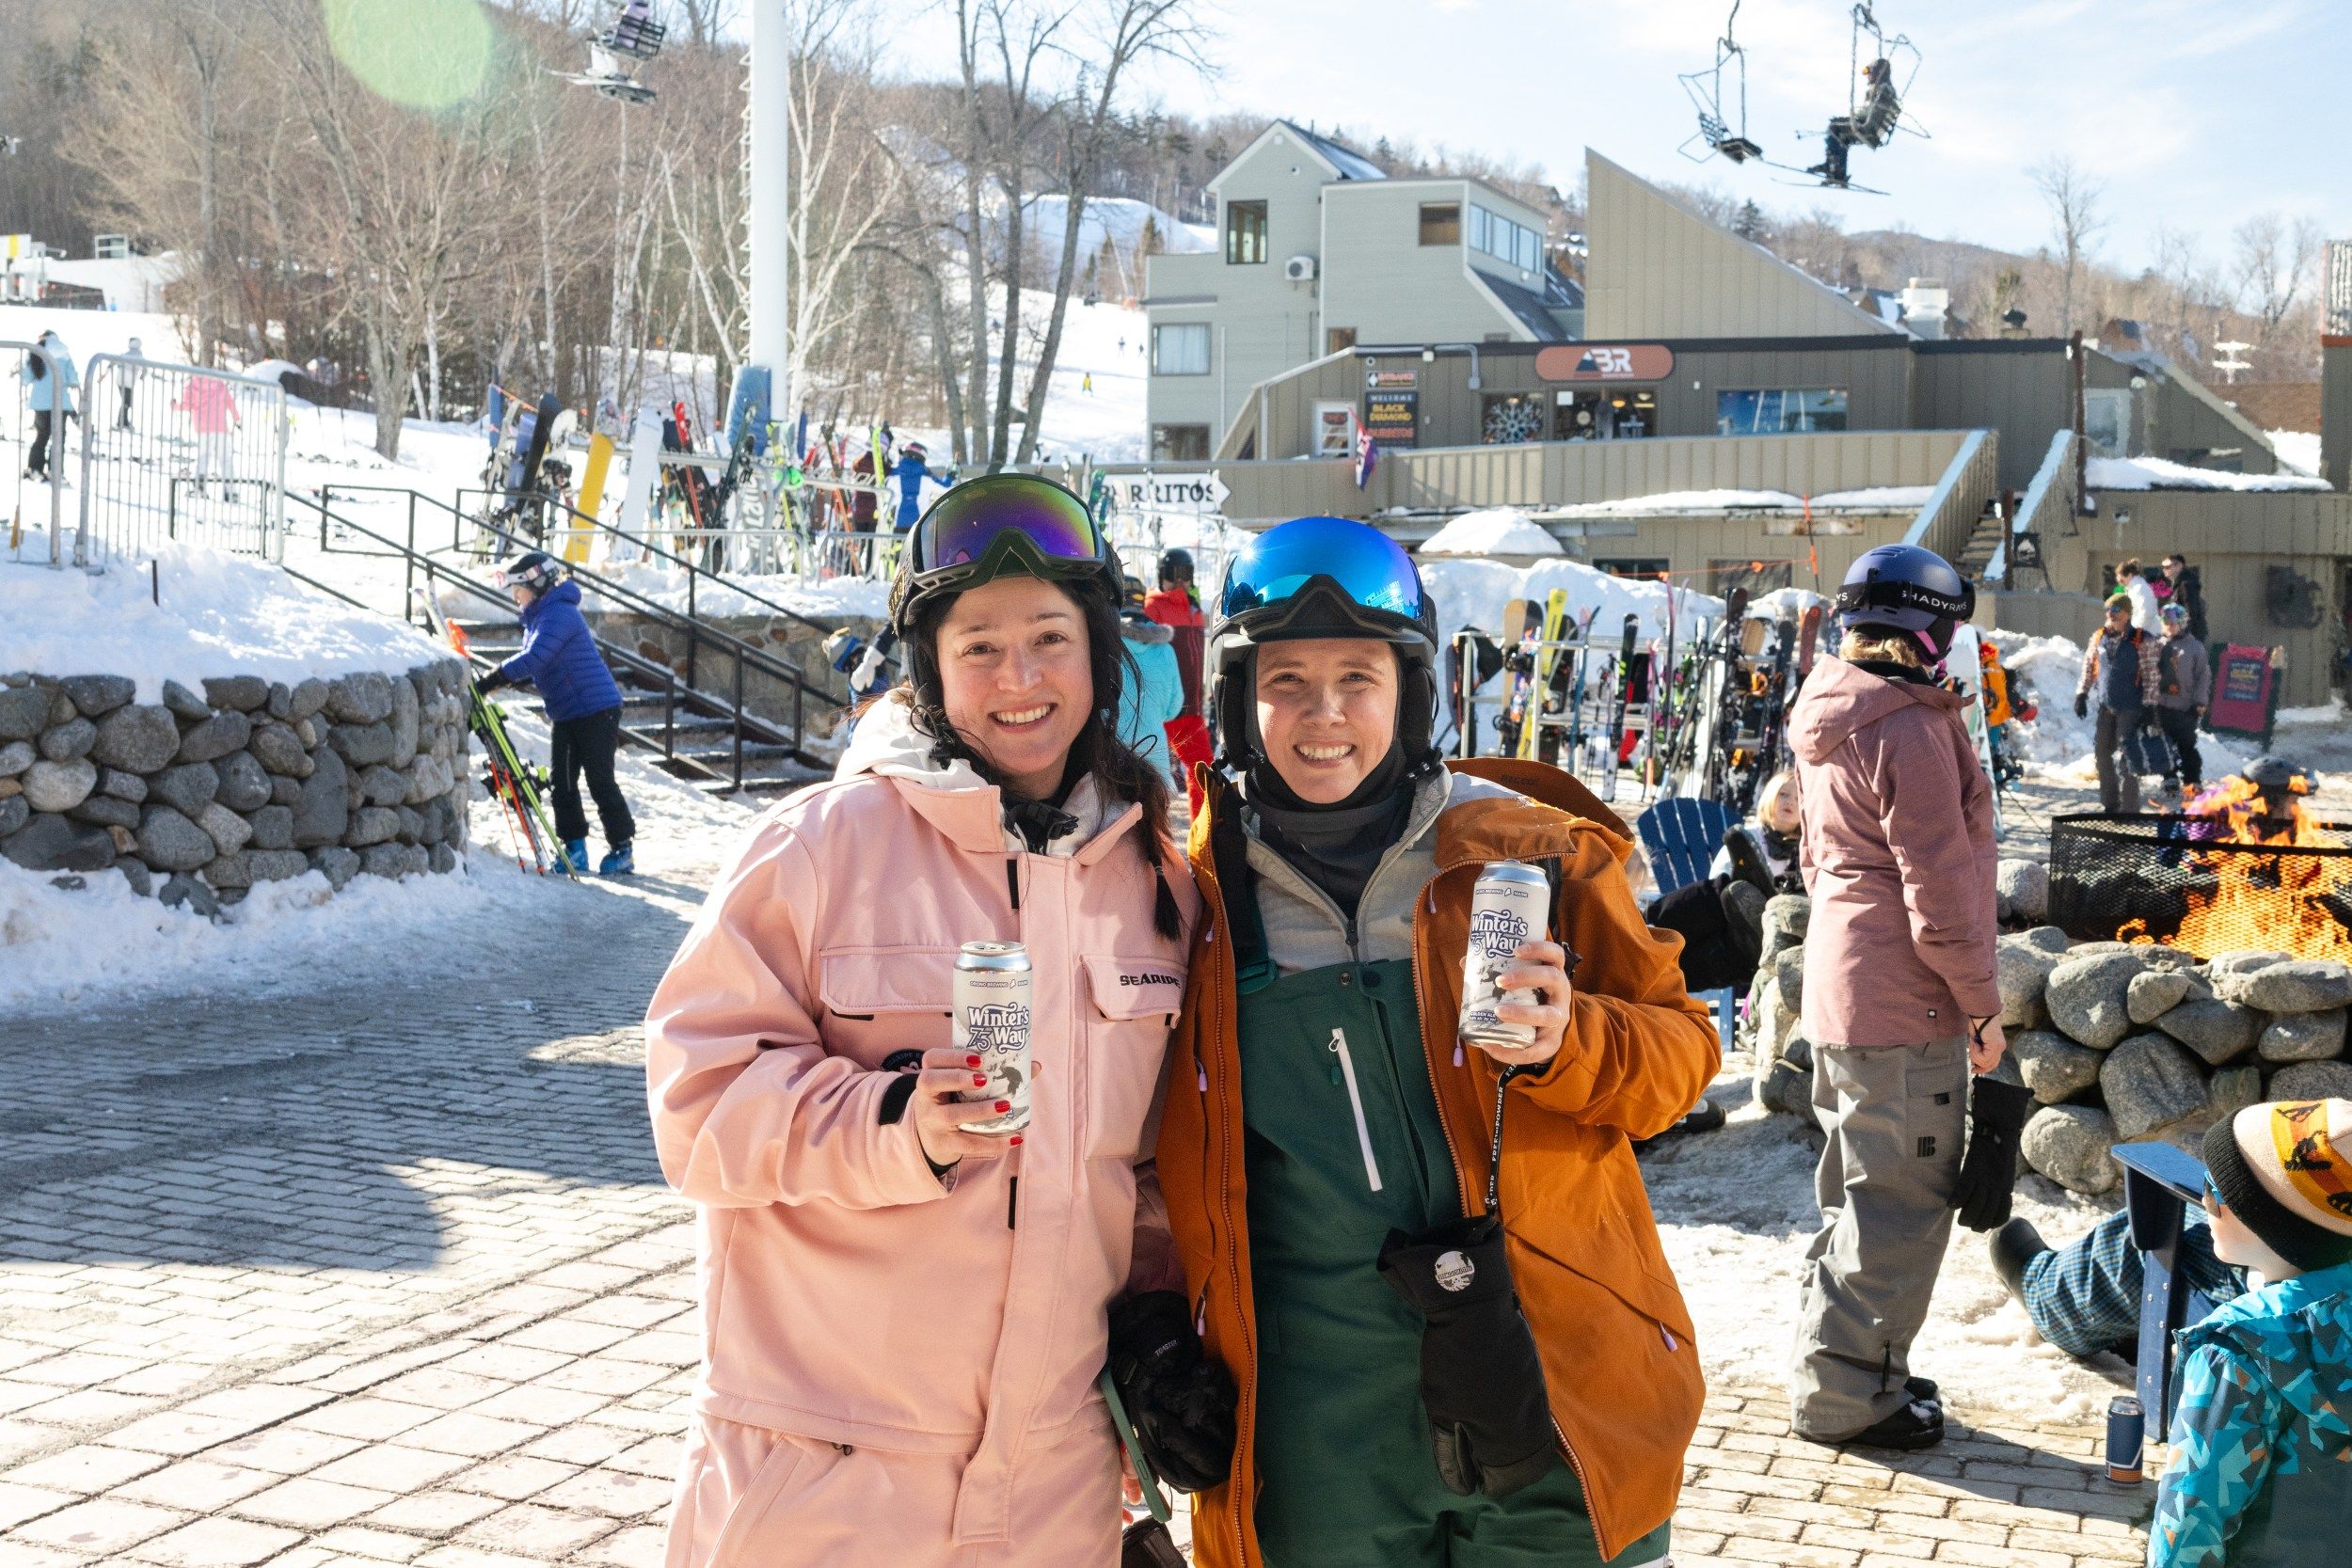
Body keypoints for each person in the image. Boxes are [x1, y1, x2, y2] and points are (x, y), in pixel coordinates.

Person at [1145, 515, 1720, 1568]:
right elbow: (1134, 1152)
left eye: (1358, 677)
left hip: (1554, 1388)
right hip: (1317, 1428)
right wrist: (1148, 1334)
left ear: (1411, 691)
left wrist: (1569, 1039)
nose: (1324, 716)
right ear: (1236, 698)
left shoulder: (1530, 850)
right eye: (1285, 682)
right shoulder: (1188, 897)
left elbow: (1678, 1058)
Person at [644, 474, 1195, 1567]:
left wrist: (1155, 1333)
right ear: (932, 670)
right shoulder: (820, 845)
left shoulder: (1154, 883)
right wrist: (896, 1118)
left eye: (1049, 637)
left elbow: (1141, 1178)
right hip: (825, 1482)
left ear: (1097, 655)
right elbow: (694, 1104)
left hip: (1053, 1490)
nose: (1020, 677)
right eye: (979, 645)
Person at [1786, 544, 2008, 1451]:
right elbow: (1942, 890)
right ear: (1932, 627)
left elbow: (1813, 858)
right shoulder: (1906, 727)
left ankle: (1849, 1365)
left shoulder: (1829, 707)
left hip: (1844, 986)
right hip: (1904, 1002)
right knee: (1900, 1205)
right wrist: (1982, 1006)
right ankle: (1849, 1398)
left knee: (1855, 1194)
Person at [2149, 1099, 2352, 1566]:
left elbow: (2189, 1530)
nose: (2203, 1201)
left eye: (2214, 1187)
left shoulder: (2239, 1351)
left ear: (2269, 1222)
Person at [476, 550, 637, 876]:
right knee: (562, 781)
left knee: (598, 779)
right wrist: (506, 680)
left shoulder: (561, 614)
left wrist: (494, 678)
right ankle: (574, 847)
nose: (514, 595)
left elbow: (536, 657)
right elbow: (538, 663)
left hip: (596, 709)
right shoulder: (537, 617)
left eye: (517, 588)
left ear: (536, 582)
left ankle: (623, 848)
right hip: (566, 712)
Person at [2073, 594, 2161, 814]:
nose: (2110, 615)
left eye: (2115, 611)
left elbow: (2152, 674)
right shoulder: (2099, 636)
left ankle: (2130, 809)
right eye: (2108, 611)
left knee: (2128, 756)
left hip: (2132, 706)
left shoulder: (2142, 639)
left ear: (2127, 614)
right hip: (2107, 705)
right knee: (2102, 752)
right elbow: (2088, 666)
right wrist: (2081, 694)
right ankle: (2110, 804)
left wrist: (2151, 706)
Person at [1143, 547, 1213, 815]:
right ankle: (1151, 844)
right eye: (1175, 574)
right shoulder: (1154, 608)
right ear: (1163, 576)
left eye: (1187, 574)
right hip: (1164, 708)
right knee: (1154, 779)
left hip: (1190, 710)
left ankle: (1203, 840)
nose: (1181, 581)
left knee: (1204, 773)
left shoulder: (1194, 610)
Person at [1116, 578, 1184, 769]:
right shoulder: (1165, 650)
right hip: (1155, 761)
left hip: (1110, 761)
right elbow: (1174, 708)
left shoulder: (1102, 644)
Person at [2153, 602, 2210, 800]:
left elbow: (2203, 675)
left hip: (2185, 706)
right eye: (2166, 623)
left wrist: (2200, 702)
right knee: (2163, 743)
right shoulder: (2156, 644)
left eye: (2174, 623)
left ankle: (2192, 779)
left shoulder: (2194, 647)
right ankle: (2169, 776)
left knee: (2186, 744)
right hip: (2161, 705)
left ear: (2183, 624)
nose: (2169, 626)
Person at [19, 331, 76, 482]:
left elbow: (26, 377)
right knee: (59, 438)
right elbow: (74, 378)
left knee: (42, 436)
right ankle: (55, 471)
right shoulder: (64, 353)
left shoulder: (37, 352)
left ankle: (34, 468)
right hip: (60, 402)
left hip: (41, 402)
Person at [2161, 553, 2208, 643]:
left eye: (2167, 567)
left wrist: (2182, 634)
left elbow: (2191, 612)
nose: (2164, 570)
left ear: (2179, 566)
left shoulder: (2186, 585)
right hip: (2183, 635)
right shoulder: (2179, 585)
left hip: (2189, 637)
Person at [892, 438, 931, 532]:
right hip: (919, 525)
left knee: (899, 546)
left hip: (899, 523)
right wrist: (950, 476)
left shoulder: (894, 474)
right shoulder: (927, 476)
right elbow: (945, 487)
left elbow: (884, 487)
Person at [2116, 558, 2161, 633]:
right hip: (2141, 630)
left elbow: (2147, 613)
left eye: (2122, 581)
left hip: (2147, 632)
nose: (2121, 584)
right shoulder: (2133, 589)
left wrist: (2136, 633)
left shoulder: (2139, 588)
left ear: (2130, 575)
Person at [118, 336, 144, 432]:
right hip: (128, 382)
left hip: (120, 381)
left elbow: (116, 361)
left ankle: (123, 421)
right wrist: (142, 376)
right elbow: (144, 367)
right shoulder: (139, 355)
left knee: (126, 401)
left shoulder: (126, 354)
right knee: (127, 402)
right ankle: (122, 422)